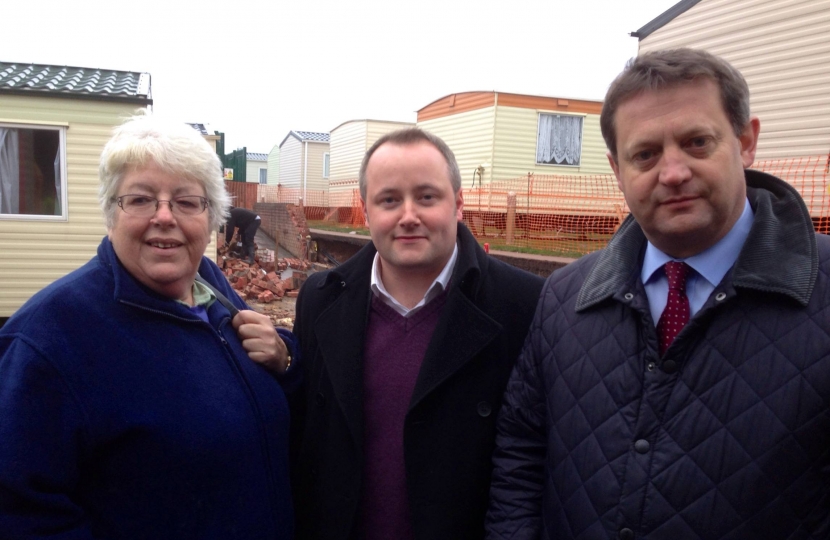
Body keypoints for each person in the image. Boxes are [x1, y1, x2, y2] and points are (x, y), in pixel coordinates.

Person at [485, 48, 830, 539]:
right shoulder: (564, 297)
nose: (672, 173)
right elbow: (521, 452)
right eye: (645, 154)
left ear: (746, 141)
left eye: (696, 143)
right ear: (616, 167)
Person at [0, 115, 298, 540]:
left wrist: (286, 358)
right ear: (110, 213)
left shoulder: (210, 284)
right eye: (140, 200)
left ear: (211, 215)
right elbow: (21, 514)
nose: (164, 216)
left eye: (186, 201)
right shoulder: (47, 339)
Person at [290, 128, 544, 540]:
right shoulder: (320, 300)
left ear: (458, 204)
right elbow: (305, 438)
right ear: (365, 210)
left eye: (427, 197)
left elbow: (534, 459)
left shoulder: (524, 305)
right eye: (389, 200)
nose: (409, 215)